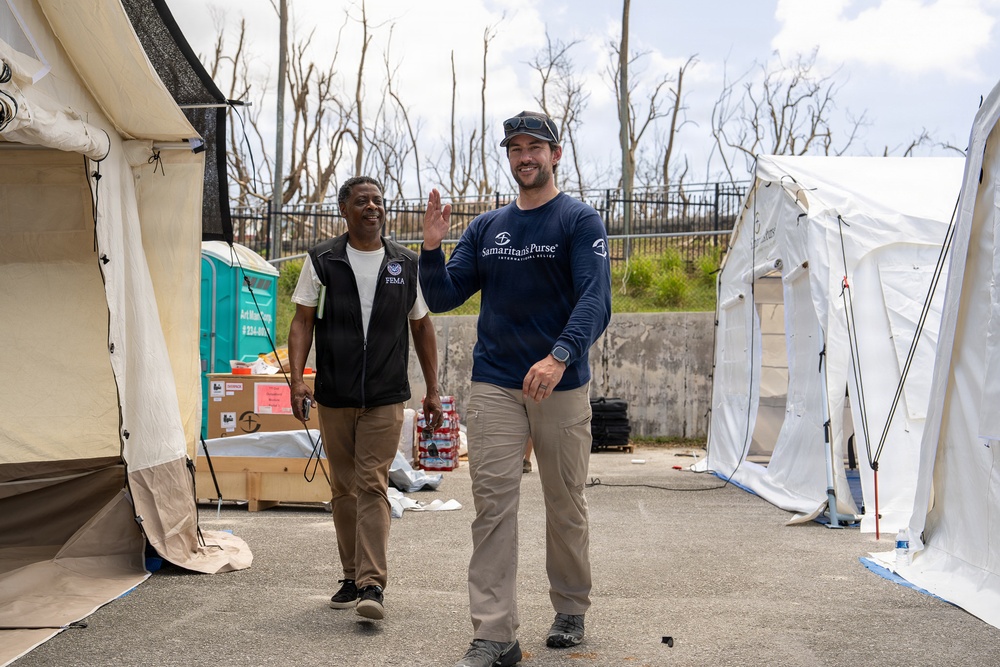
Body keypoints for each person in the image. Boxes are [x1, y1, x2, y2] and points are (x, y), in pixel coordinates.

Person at [420, 111, 612, 667]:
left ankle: (571, 606)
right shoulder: (487, 228)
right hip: (497, 385)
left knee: (565, 503)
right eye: (515, 148)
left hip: (561, 383)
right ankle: (495, 634)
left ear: (556, 155)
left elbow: (595, 301)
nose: (525, 156)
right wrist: (432, 249)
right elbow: (444, 295)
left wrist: (558, 357)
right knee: (493, 509)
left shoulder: (579, 221)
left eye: (536, 147)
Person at [288, 175, 443, 622]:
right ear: (344, 209)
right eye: (361, 201)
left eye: (377, 200)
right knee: (343, 487)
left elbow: (422, 327)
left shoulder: (405, 264)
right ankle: (352, 574)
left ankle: (373, 583)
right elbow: (302, 323)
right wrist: (298, 381)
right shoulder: (323, 260)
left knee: (372, 482)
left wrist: (432, 390)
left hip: (385, 395)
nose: (371, 207)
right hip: (334, 394)